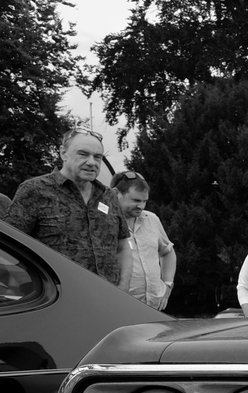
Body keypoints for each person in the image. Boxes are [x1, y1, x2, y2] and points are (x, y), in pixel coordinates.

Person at [5, 126, 132, 288]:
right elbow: (10, 248)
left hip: (108, 300)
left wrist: (123, 287)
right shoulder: (34, 190)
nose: (92, 162)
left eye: (97, 157)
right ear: (63, 153)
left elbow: (123, 247)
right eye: (83, 154)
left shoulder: (109, 196)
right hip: (59, 301)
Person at [114, 171, 176, 310]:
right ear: (116, 194)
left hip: (155, 307)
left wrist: (167, 285)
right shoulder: (104, 222)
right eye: (136, 200)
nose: (141, 206)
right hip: (122, 308)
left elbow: (168, 252)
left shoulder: (151, 219)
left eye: (145, 201)